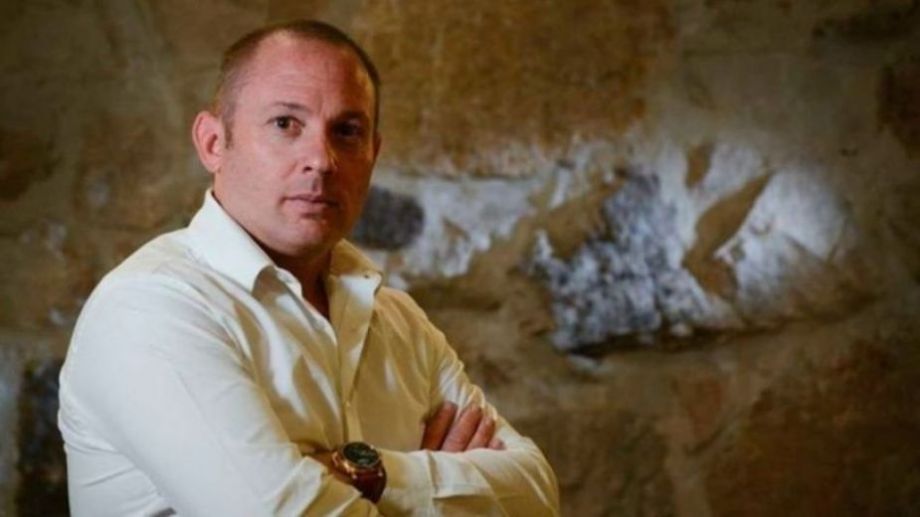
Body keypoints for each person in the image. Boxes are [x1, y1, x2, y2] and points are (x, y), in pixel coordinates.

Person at [58, 19, 560, 516]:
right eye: (285, 124)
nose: (321, 159)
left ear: (373, 153)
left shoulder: (400, 321)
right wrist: (441, 486)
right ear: (213, 143)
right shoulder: (151, 308)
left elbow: (536, 495)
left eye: (347, 131)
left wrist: (366, 473)